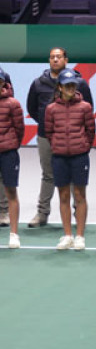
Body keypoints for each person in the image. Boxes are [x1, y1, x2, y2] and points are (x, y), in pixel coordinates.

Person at [25, 48, 93, 229]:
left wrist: (84, 140)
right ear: (49, 60)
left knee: (73, 179)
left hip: (74, 139)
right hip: (46, 137)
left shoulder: (79, 83)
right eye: (52, 57)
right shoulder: (38, 83)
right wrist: (50, 127)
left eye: (59, 57)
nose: (55, 60)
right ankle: (42, 213)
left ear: (66, 60)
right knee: (48, 175)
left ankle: (77, 214)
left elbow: (88, 111)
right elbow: (32, 108)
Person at [46, 70, 95, 252]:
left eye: (73, 85)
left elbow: (91, 131)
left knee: (80, 196)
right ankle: (67, 235)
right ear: (60, 87)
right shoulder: (51, 109)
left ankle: (80, 236)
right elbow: (49, 133)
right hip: (59, 157)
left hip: (79, 156)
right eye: (67, 85)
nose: (71, 88)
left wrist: (82, 146)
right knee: (63, 196)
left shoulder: (85, 107)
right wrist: (58, 146)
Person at [0, 68, 23, 249]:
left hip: (8, 153)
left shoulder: (13, 103)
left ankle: (14, 234)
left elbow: (19, 129)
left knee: (11, 192)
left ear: (4, 83)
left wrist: (11, 144)